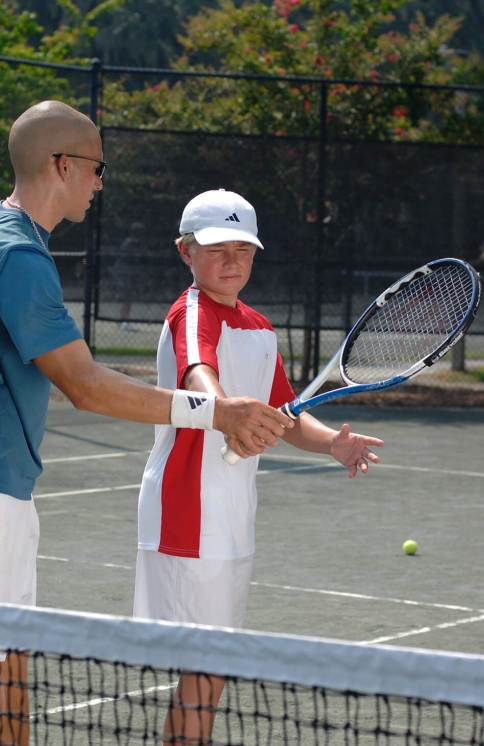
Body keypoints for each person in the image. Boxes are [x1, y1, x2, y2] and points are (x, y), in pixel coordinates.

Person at [0, 104, 292, 746]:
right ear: (63, 166)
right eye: (96, 167)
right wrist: (216, 412)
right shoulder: (18, 257)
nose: (100, 181)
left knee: (5, 677)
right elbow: (83, 385)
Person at [132, 189, 385, 746]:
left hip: (231, 517)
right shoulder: (190, 311)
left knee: (211, 670)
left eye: (242, 250)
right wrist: (226, 415)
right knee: (204, 670)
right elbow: (199, 370)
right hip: (187, 513)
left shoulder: (259, 327)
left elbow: (287, 414)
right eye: (216, 248)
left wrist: (330, 446)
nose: (231, 261)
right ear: (185, 253)